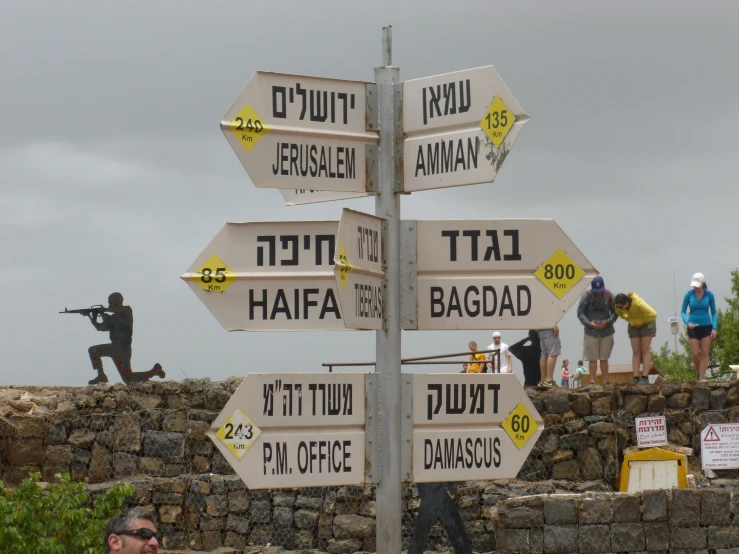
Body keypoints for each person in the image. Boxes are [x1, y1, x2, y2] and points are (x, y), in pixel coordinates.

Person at [88, 292, 165, 385]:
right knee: (94, 351)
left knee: (128, 378)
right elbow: (101, 328)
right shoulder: (112, 317)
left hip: (122, 349)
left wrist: (103, 314)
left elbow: (119, 319)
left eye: (111, 302)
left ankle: (154, 371)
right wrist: (92, 318)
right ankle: (101, 375)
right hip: (114, 348)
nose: (109, 305)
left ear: (117, 301)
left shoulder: (126, 310)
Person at [577, 276, 618, 385]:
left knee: (604, 358)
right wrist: (589, 323)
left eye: (600, 291)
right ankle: (592, 382)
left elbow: (616, 311)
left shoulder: (609, 296)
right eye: (596, 291)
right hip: (591, 331)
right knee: (592, 358)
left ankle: (605, 381)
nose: (598, 293)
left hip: (607, 331)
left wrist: (608, 321)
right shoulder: (586, 296)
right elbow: (580, 313)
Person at [681, 272, 718, 380]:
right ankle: (698, 371)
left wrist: (714, 328)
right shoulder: (688, 295)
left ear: (702, 284)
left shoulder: (709, 295)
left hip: (706, 326)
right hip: (693, 326)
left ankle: (701, 378)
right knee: (695, 354)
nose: (695, 287)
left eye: (697, 285)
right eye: (694, 285)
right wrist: (687, 322)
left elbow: (714, 312)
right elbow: (683, 311)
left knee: (705, 352)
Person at [614, 292, 658, 383]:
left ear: (627, 303)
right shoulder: (618, 307)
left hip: (647, 323)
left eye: (621, 307)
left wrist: (640, 321)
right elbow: (620, 314)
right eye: (618, 307)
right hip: (633, 324)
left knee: (645, 350)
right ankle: (636, 377)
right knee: (636, 351)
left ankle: (645, 377)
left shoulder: (638, 303)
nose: (620, 309)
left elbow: (653, 314)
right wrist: (629, 318)